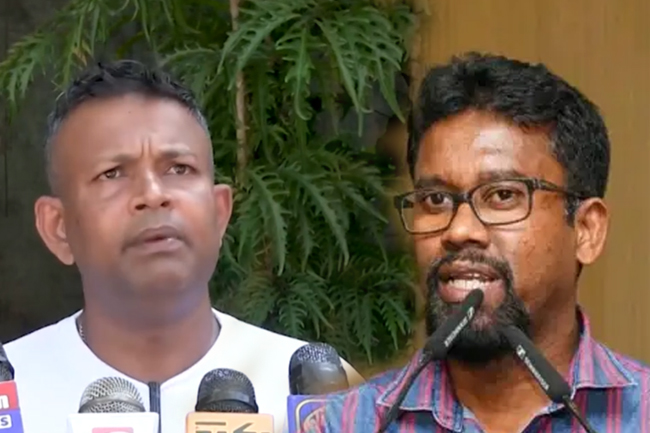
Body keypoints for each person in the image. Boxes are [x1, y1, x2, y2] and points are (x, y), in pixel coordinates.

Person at [3, 59, 362, 433]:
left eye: (178, 169)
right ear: (58, 228)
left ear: (219, 213)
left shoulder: (325, 395)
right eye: (112, 173)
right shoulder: (14, 390)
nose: (153, 194)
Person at [302, 52, 650, 433]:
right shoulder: (348, 425)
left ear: (586, 230)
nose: (459, 231)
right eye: (436, 199)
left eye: (502, 195)